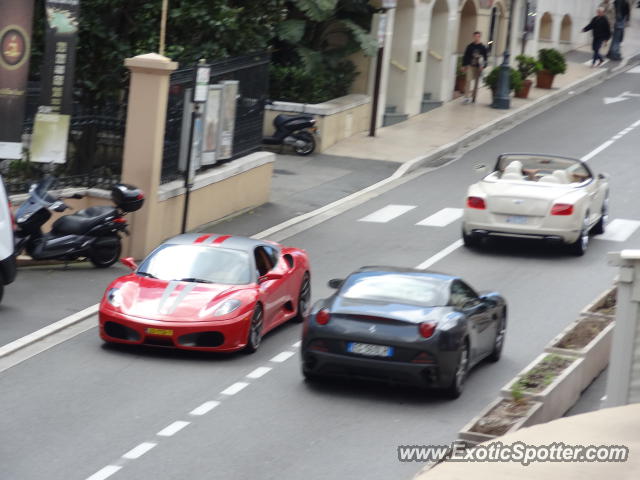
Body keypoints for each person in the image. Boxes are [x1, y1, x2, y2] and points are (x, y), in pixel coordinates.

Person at [461, 31, 488, 104]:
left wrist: (483, 66)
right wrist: (464, 65)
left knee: (476, 83)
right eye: (475, 36)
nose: (476, 38)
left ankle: (474, 97)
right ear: (473, 37)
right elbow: (465, 56)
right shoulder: (470, 46)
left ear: (480, 37)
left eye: (478, 36)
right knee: (468, 80)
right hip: (470, 66)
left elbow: (485, 58)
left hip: (478, 67)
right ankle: (466, 97)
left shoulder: (483, 47)